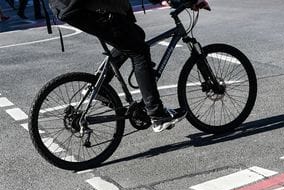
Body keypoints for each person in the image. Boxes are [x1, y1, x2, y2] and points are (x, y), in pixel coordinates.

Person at [48, 0, 208, 132]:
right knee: (139, 52)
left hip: (74, 7)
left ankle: (98, 87)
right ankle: (157, 114)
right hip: (91, 8)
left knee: (134, 36)